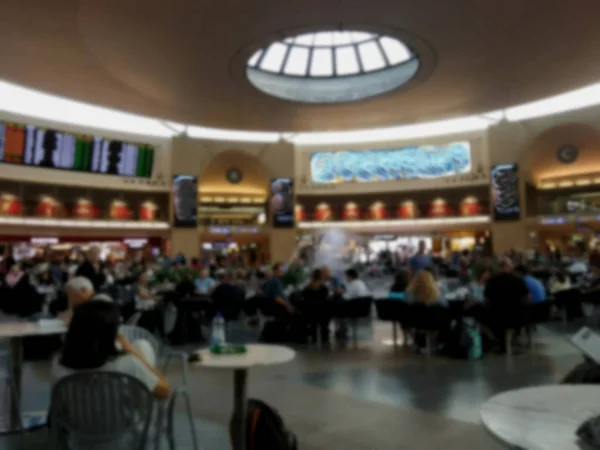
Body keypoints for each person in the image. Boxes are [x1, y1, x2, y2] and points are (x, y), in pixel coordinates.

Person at [53, 300, 171, 399]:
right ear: (112, 333)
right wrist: (136, 354)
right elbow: (165, 391)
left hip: (73, 426)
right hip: (124, 426)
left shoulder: (58, 363)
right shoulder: (128, 364)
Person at [477, 258, 530, 350]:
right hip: (517, 316)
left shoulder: (492, 281)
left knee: (484, 318)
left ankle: (499, 342)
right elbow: (527, 297)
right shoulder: (518, 280)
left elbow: (486, 299)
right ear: (510, 268)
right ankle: (514, 339)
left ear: (498, 268)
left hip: (497, 317)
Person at [302, 269, 331, 343]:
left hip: (311, 311)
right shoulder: (324, 288)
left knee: (313, 323)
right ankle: (325, 338)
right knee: (325, 321)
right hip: (322, 311)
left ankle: (314, 337)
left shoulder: (307, 288)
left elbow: (303, 297)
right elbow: (326, 297)